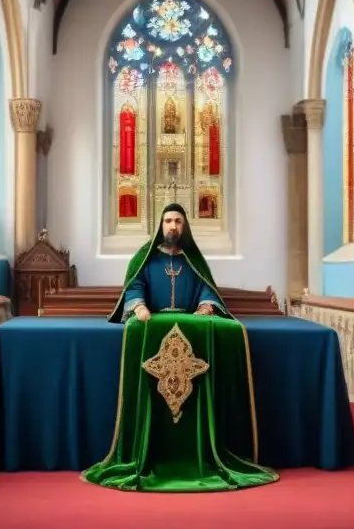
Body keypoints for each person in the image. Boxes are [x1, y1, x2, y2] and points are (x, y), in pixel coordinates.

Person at [83, 204, 279, 493]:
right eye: (168, 221)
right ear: (160, 226)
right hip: (154, 333)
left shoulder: (193, 260)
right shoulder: (146, 259)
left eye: (178, 221)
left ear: (185, 226)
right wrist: (138, 307)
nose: (173, 226)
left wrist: (205, 306)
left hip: (192, 338)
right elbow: (134, 286)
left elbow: (207, 290)